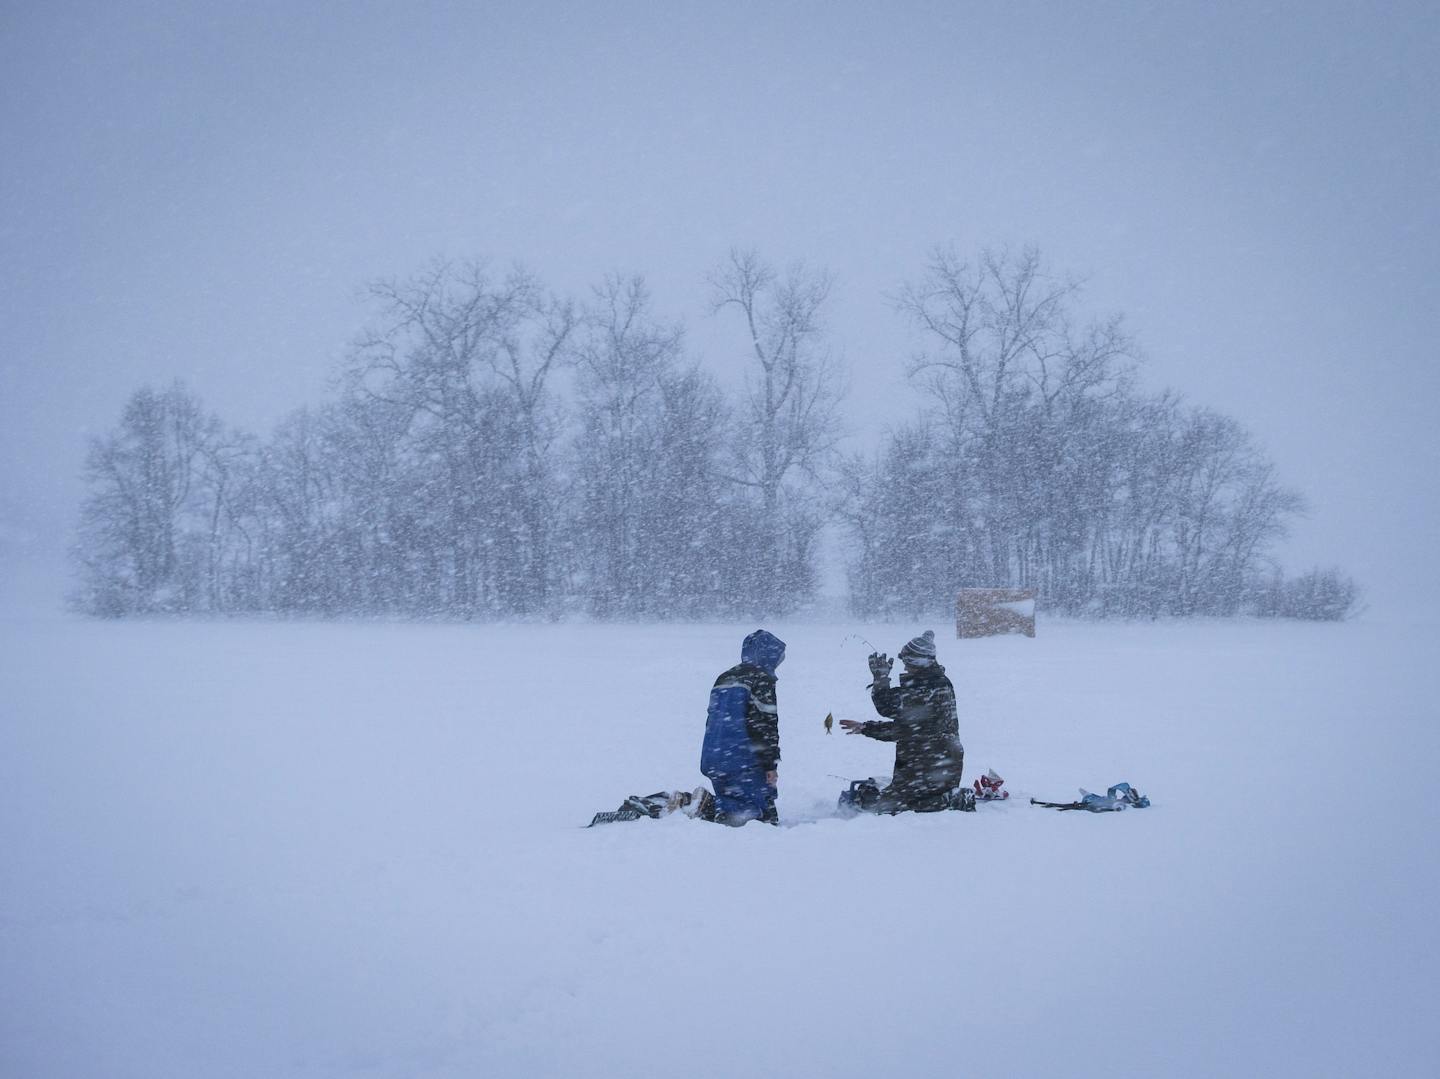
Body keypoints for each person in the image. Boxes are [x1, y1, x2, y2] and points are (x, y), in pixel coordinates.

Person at [839, 630, 965, 813]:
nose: (904, 667)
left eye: (906, 662)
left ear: (917, 662)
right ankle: (942, 797)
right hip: (943, 764)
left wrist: (880, 679)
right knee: (913, 799)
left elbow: (890, 711)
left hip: (926, 766)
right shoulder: (939, 682)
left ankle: (947, 801)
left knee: (880, 806)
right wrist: (868, 727)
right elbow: (910, 725)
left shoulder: (923, 688)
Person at [699, 629, 785, 826]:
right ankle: (700, 806)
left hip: (714, 754)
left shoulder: (724, 677)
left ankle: (697, 805)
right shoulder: (761, 679)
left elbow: (713, 719)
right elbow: (764, 726)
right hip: (742, 757)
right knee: (759, 817)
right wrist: (770, 764)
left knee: (731, 803)